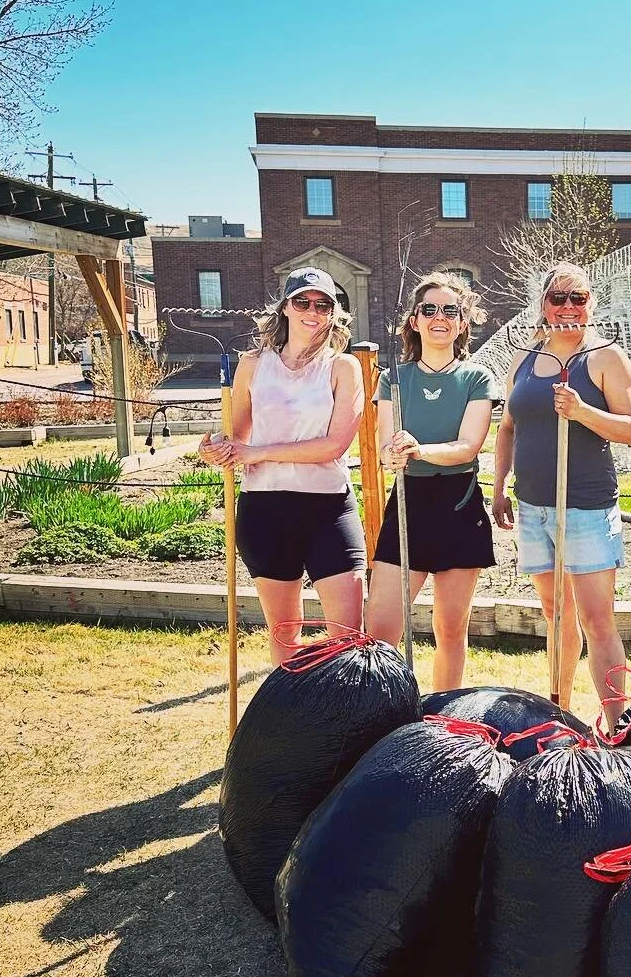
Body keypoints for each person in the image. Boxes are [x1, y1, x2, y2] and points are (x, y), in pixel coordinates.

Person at [491, 263, 631, 725]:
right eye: (559, 298)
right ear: (544, 304)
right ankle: (560, 714)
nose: (569, 307)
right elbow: (508, 427)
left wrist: (581, 411)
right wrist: (498, 487)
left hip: (586, 507)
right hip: (533, 505)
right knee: (556, 614)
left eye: (579, 298)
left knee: (597, 621)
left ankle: (617, 724)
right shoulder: (526, 358)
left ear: (591, 303)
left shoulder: (605, 357)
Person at [199, 266, 365, 665]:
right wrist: (216, 448)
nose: (313, 311)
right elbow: (236, 435)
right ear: (285, 308)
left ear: (334, 312)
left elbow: (335, 445)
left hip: (328, 508)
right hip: (265, 508)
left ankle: (348, 722)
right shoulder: (253, 365)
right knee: (285, 636)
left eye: (323, 304)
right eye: (302, 301)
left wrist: (258, 452)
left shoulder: (343, 367)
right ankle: (293, 724)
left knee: (348, 637)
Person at [365, 272, 497, 689]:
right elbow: (385, 450)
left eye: (450, 311)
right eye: (429, 309)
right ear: (415, 321)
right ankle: (384, 716)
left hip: (458, 505)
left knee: (451, 629)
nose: (439, 317)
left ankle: (443, 720)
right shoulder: (393, 379)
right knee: (380, 632)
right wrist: (394, 452)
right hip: (408, 503)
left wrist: (418, 450)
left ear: (462, 323)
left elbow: (467, 447)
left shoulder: (477, 378)